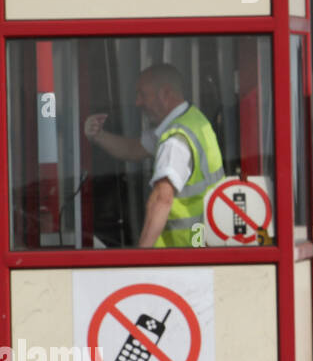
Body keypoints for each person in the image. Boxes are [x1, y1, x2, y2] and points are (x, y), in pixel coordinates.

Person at [83, 63, 225, 247]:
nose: (137, 102)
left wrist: (141, 258)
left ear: (166, 94)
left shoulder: (175, 140)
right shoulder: (193, 119)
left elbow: (162, 198)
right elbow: (134, 148)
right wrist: (98, 136)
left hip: (184, 252)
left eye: (143, 94)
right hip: (202, 243)